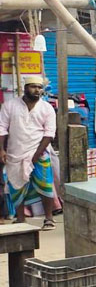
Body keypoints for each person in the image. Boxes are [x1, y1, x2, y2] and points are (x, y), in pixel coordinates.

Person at [0, 76, 57, 230]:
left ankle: (49, 219)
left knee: (45, 185)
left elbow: (49, 134)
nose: (37, 90)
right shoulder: (10, 106)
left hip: (39, 151)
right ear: (25, 88)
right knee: (16, 186)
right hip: (15, 152)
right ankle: (20, 219)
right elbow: (2, 128)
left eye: (39, 87)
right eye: (33, 87)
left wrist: (36, 155)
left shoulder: (47, 108)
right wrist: (2, 149)